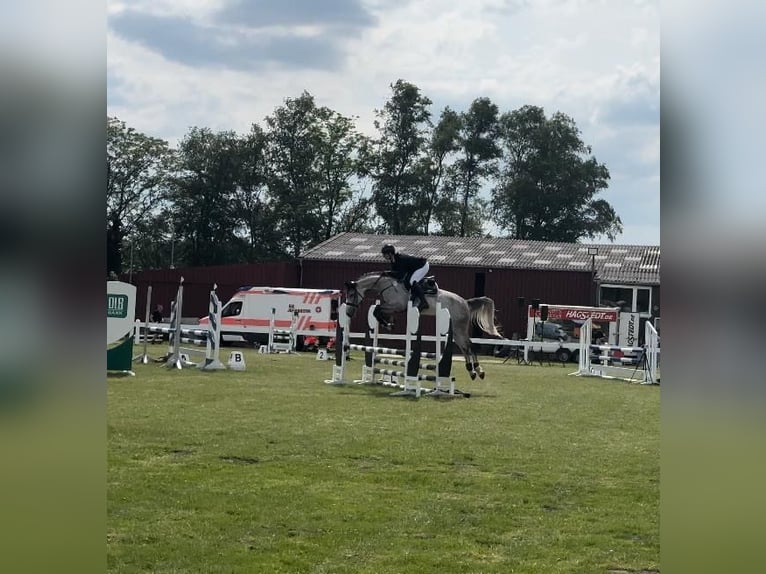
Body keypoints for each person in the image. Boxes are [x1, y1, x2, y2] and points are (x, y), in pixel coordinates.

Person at [380, 244, 430, 310]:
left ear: (390, 253)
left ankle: (424, 302)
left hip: (422, 266)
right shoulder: (393, 261)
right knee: (406, 281)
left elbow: (400, 275)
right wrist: (388, 273)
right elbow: (396, 275)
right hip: (413, 268)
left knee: (412, 281)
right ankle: (413, 298)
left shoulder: (400, 259)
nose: (383, 256)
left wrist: (388, 273)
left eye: (384, 254)